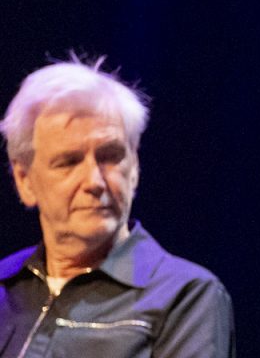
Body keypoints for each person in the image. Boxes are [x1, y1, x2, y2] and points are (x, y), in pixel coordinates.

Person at [0, 58, 234, 358]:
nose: (94, 181)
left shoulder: (184, 296)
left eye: (110, 156)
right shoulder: (6, 287)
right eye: (69, 162)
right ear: (25, 180)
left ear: (134, 166)